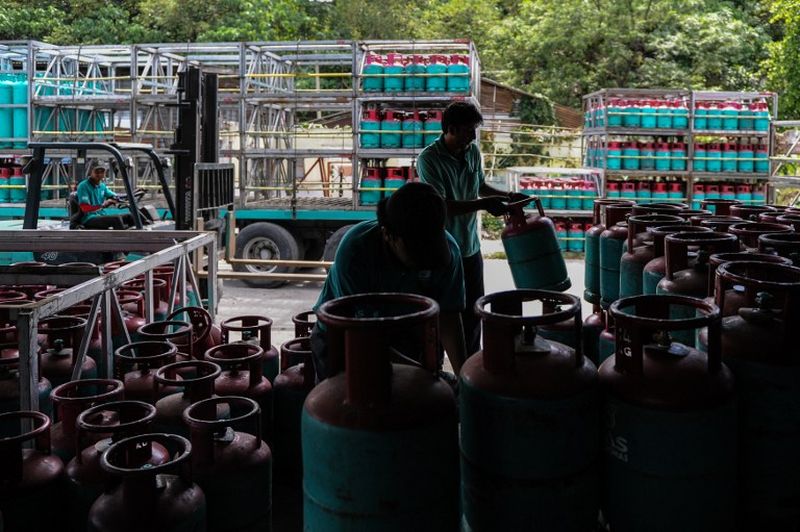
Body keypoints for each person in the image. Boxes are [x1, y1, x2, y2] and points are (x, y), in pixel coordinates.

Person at [310, 181, 467, 380]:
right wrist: (424, 374)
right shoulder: (356, 252)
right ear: (388, 234)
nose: (426, 261)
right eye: (417, 250)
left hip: (409, 330)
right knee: (344, 404)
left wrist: (463, 382)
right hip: (344, 335)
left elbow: (449, 318)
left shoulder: (449, 253)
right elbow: (364, 336)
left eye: (432, 247)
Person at [416, 101, 527, 357]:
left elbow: (481, 187)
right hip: (442, 250)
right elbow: (441, 206)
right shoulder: (429, 159)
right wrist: (484, 205)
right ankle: (436, 369)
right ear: (451, 129)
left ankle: (471, 365)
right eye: (469, 130)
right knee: (444, 314)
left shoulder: (472, 152)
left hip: (470, 248)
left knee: (473, 312)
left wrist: (509, 196)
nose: (473, 136)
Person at [76, 164, 133, 229]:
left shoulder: (102, 186)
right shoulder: (83, 186)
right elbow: (85, 208)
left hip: (101, 215)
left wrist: (130, 195)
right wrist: (103, 205)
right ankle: (124, 238)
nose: (100, 174)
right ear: (91, 173)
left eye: (102, 172)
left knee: (130, 217)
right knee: (116, 219)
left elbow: (114, 196)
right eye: (97, 172)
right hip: (89, 218)